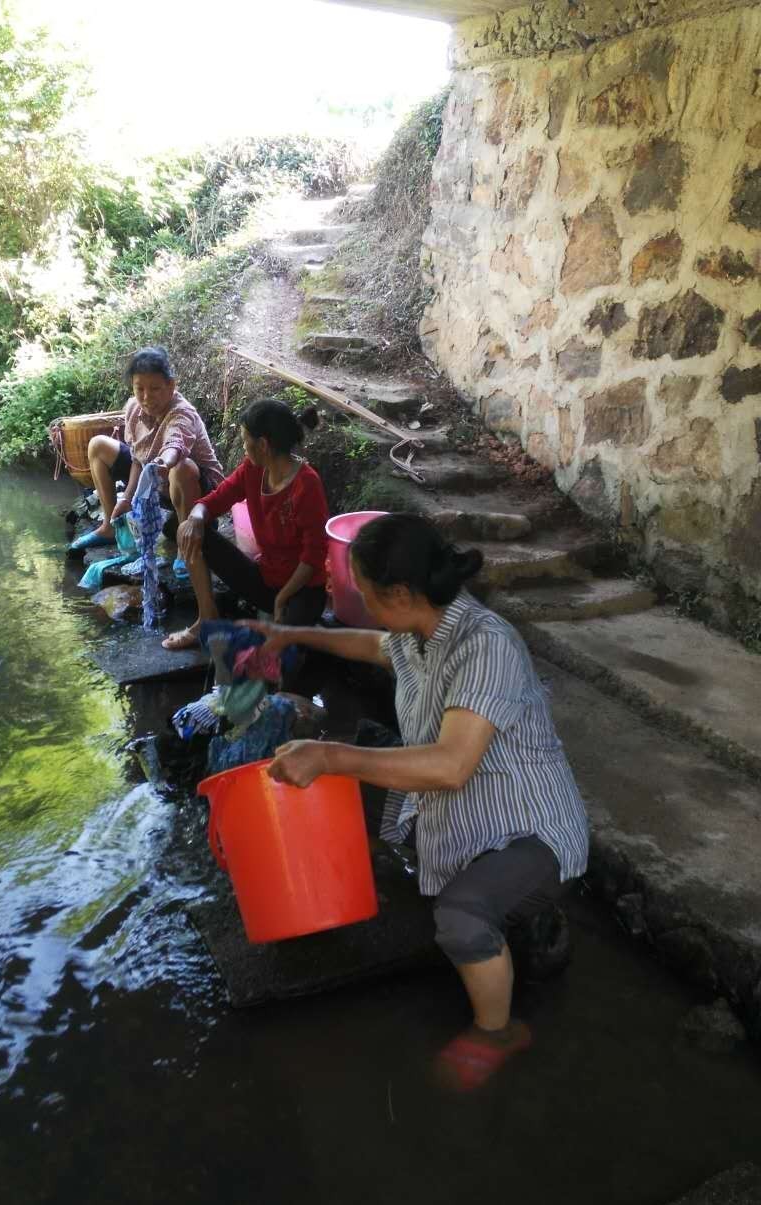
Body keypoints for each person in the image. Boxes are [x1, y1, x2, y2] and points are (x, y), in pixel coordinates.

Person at [248, 513, 589, 1091]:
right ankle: (516, 920)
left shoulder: (486, 645)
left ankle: (499, 1029)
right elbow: (370, 644)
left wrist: (330, 756)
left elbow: (452, 766)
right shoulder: (417, 633)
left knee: (459, 917)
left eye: (359, 588)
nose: (346, 594)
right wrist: (292, 634)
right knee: (333, 785)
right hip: (451, 806)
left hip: (528, 825)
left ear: (400, 593)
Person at [161, 399, 330, 652]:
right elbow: (216, 499)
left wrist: (283, 598)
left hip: (301, 591)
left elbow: (313, 556)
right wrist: (195, 517)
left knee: (284, 656)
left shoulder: (307, 484)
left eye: (244, 440)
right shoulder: (252, 469)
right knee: (192, 529)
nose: (243, 446)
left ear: (263, 445)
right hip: (265, 580)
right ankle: (206, 619)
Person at [69, 346, 224, 552]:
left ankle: (186, 549)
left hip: (199, 494)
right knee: (98, 445)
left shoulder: (181, 413)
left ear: (171, 386)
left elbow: (175, 444)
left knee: (182, 467)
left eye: (155, 389)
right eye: (139, 388)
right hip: (158, 483)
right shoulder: (133, 407)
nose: (146, 397)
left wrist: (164, 462)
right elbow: (137, 460)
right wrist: (127, 498)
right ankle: (109, 528)